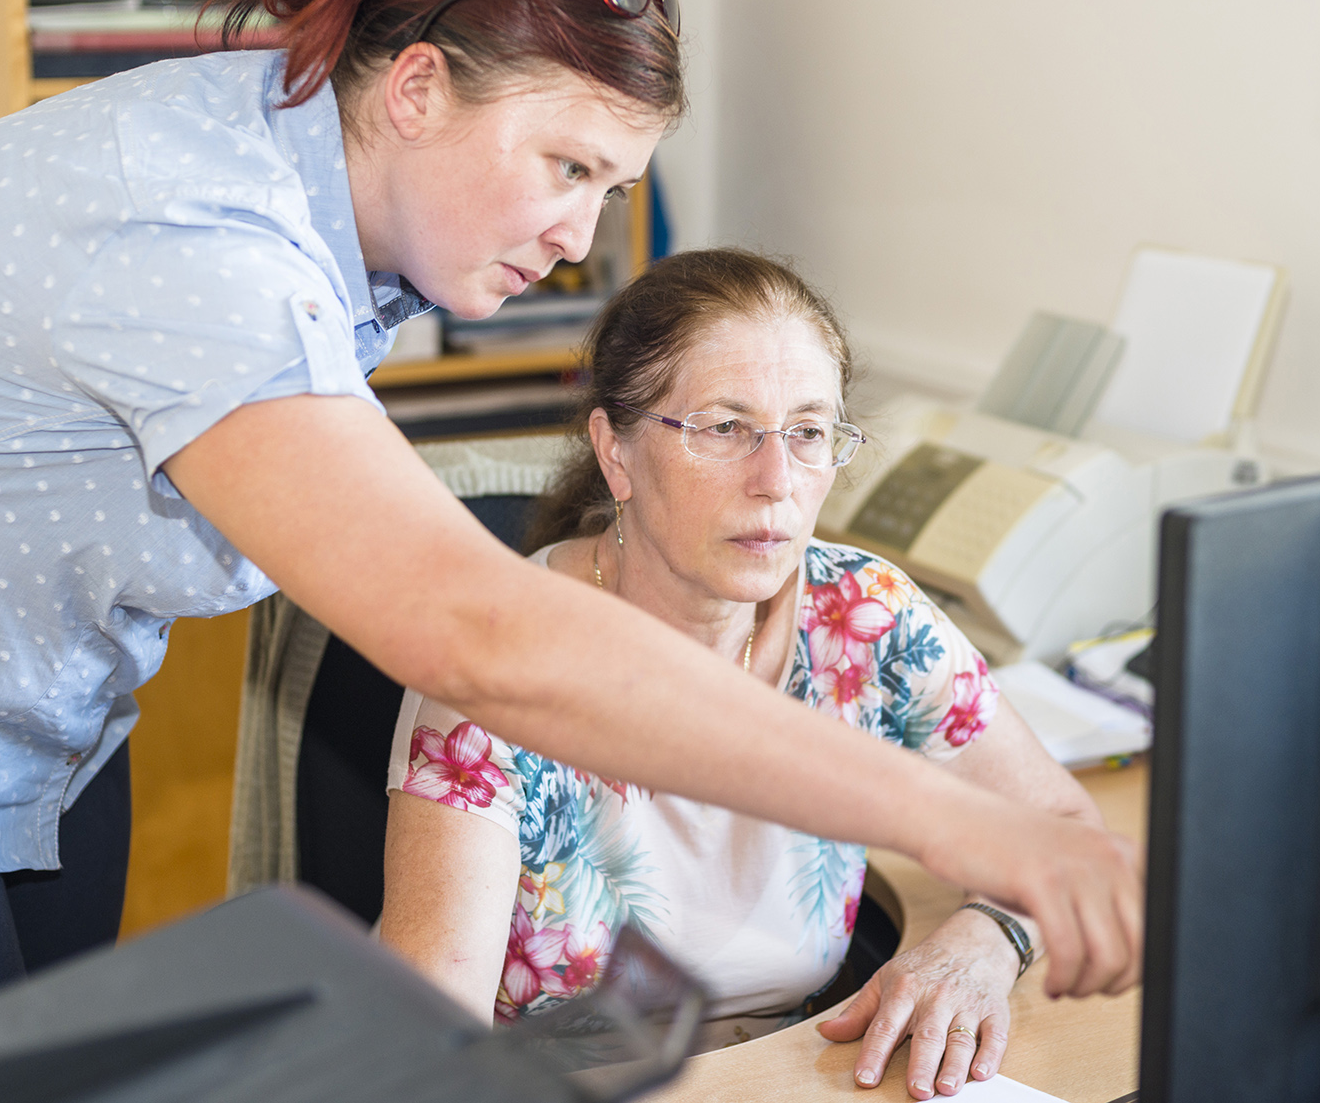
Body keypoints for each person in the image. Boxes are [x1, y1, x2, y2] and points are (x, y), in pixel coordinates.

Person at [0, 0, 1141, 1054]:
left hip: (30, 725)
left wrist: (983, 895)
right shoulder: (196, 244)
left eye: (607, 191)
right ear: (416, 88)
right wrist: (960, 825)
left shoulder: (301, 163)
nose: (576, 239)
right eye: (564, 166)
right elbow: (478, 636)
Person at [378, 249, 1139, 1099]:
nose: (776, 482)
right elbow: (424, 1045)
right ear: (616, 451)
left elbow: (1062, 826)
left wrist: (985, 938)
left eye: (809, 432)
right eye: (722, 427)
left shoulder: (861, 615)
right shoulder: (497, 669)